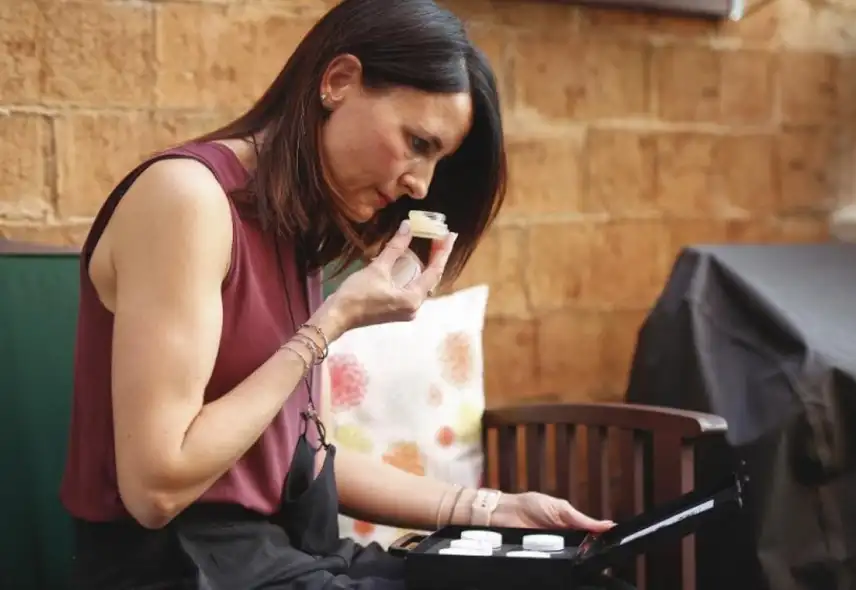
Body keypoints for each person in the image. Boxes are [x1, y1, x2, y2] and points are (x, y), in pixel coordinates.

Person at [59, 1, 618, 588]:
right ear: (339, 81)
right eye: (417, 142)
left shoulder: (292, 227)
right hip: (180, 568)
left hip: (287, 554)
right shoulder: (187, 200)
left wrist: (493, 510)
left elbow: (303, 462)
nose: (419, 185)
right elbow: (155, 488)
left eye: (436, 160)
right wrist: (330, 324)